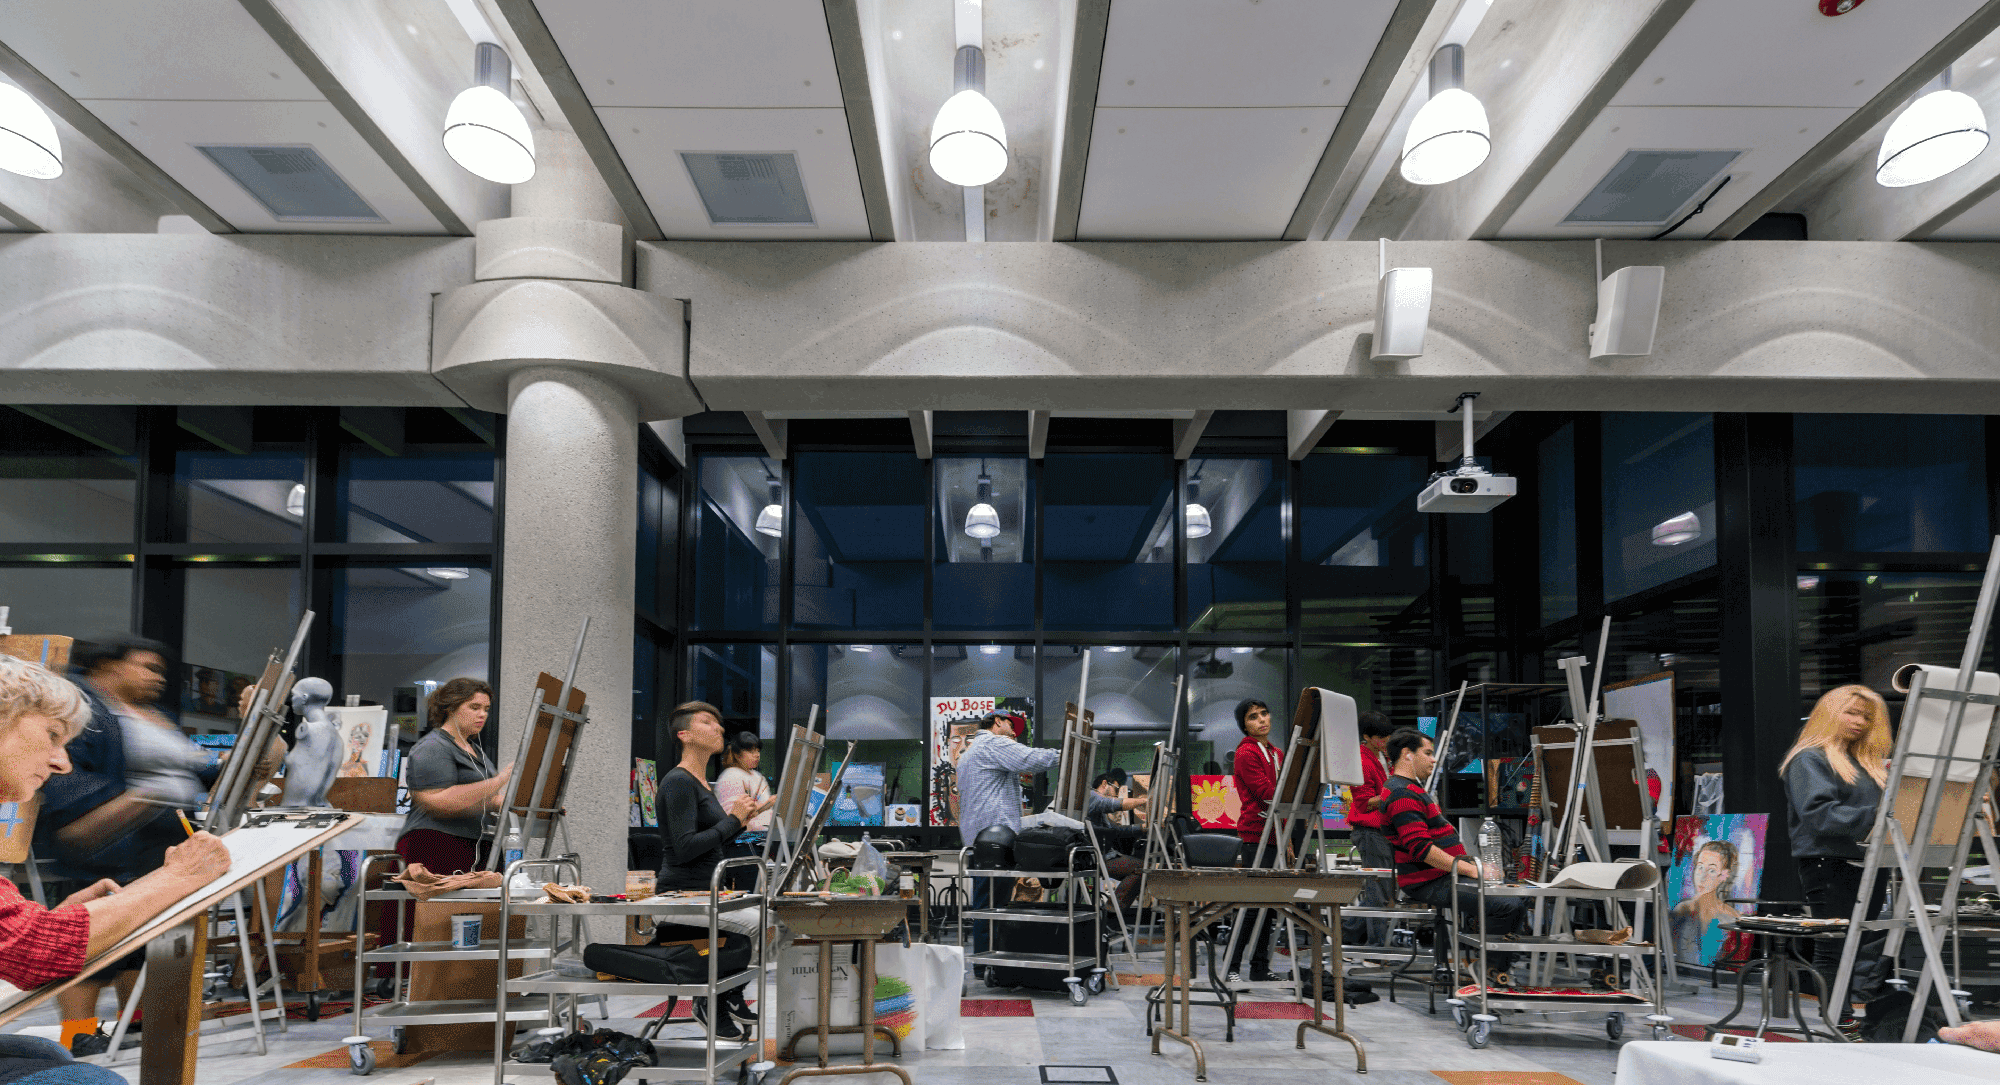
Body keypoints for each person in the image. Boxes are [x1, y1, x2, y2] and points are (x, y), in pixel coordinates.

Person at [36, 635, 276, 1055]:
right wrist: (141, 798)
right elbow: (72, 790)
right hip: (107, 846)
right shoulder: (86, 711)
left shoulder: (154, 715)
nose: (156, 677)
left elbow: (197, 770)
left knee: (145, 942)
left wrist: (245, 745)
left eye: (159, 670)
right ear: (108, 666)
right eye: (146, 667)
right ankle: (78, 1031)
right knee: (97, 945)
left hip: (158, 846)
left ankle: (134, 1023)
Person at [0, 653, 232, 1083]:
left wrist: (48, 919)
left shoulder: (149, 717)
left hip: (131, 854)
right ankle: (82, 1031)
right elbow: (34, 955)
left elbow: (14, 943)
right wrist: (180, 876)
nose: (61, 762)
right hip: (117, 855)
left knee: (41, 1051)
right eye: (51, 735)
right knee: (93, 1080)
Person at [1382, 728, 1528, 987]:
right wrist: (1471, 870)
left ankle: (1493, 963)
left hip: (1443, 875)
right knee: (1508, 904)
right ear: (1407, 755)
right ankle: (1490, 969)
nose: (1433, 759)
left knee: (1517, 896)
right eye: (1427, 753)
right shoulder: (1402, 794)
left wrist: (1473, 866)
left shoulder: (1410, 789)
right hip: (1428, 881)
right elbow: (1421, 849)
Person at [654, 702, 760, 1038]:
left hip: (707, 892)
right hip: (680, 896)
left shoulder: (702, 782)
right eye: (707, 722)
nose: (719, 728)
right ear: (684, 735)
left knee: (765, 915)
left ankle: (727, 996)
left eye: (718, 722)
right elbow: (685, 847)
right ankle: (716, 1000)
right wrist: (733, 820)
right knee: (759, 922)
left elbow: (713, 842)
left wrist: (740, 821)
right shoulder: (678, 782)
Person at [1781, 684, 1891, 983]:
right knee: (1834, 946)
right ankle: (1837, 1021)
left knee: (1856, 946)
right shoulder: (1809, 759)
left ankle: (1845, 1017)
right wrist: (1883, 816)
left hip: (1869, 863)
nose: (1860, 722)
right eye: (1851, 713)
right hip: (1829, 864)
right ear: (1830, 713)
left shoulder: (1867, 764)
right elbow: (1821, 817)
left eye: (1867, 717)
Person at [955, 712, 1059, 956]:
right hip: (994, 842)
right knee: (993, 907)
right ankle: (989, 963)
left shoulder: (969, 755)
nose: (1014, 734)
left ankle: (988, 962)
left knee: (986, 906)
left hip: (978, 842)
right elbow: (1032, 758)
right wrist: (1073, 755)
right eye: (1012, 727)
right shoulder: (992, 743)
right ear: (998, 722)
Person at [396, 677, 511, 875]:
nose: (482, 715)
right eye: (474, 707)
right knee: (441, 906)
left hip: (478, 847)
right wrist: (499, 780)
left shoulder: (475, 751)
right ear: (451, 708)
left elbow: (484, 800)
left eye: (486, 709)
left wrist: (525, 807)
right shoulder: (433, 747)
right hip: (438, 847)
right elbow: (439, 802)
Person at [1226, 698, 1283, 984]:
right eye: (1253, 717)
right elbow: (1268, 792)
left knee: (1269, 906)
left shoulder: (1276, 753)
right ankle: (1232, 966)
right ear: (1244, 725)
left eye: (1264, 713)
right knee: (1252, 904)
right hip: (1255, 835)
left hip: (1277, 835)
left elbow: (1283, 795)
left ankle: (1260, 966)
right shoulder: (1246, 753)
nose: (1261, 720)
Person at [1345, 710, 1399, 947]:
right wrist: (1394, 793)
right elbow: (1364, 803)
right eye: (1380, 737)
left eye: (1387, 736)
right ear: (1366, 736)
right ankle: (1376, 947)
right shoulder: (1362, 760)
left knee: (1380, 889)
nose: (1385, 741)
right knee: (1378, 890)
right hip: (1369, 830)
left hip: (1381, 830)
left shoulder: (1382, 757)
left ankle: (1344, 934)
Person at [712, 729, 774, 887]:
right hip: (742, 843)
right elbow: (733, 817)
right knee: (750, 891)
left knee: (759, 890)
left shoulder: (757, 776)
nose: (756, 755)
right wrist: (767, 805)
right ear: (738, 754)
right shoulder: (731, 775)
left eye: (758, 750)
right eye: (751, 750)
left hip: (759, 841)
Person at [1670, 839, 1742, 966]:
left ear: (1724, 875)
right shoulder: (1684, 909)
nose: (1702, 876)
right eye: (1700, 867)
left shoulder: (1732, 915)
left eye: (1712, 870)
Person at [1087, 772, 1148, 907]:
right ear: (1104, 784)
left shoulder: (1099, 811)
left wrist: (1144, 827)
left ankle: (1112, 910)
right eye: (1115, 789)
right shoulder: (1091, 797)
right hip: (1096, 858)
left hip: (1104, 855)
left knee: (1143, 868)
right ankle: (1112, 912)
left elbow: (1117, 831)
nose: (1116, 794)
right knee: (1143, 868)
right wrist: (1145, 801)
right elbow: (1113, 804)